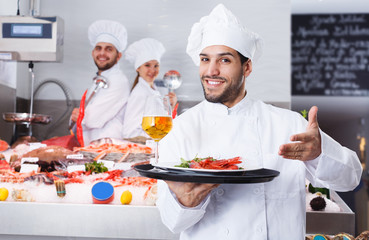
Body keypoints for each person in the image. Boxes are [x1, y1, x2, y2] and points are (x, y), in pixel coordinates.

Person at [156, 4, 362, 239]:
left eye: (224, 60)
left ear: (247, 67)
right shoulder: (182, 129)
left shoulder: (288, 124)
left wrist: (320, 153)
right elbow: (171, 221)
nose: (211, 70)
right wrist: (185, 202)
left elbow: (351, 178)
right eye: (205, 59)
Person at [70, 20, 130, 145]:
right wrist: (78, 116)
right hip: (93, 146)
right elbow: (80, 117)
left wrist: (80, 116)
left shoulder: (118, 81)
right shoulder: (99, 80)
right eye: (98, 48)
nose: (102, 53)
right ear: (93, 53)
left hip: (108, 148)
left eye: (109, 49)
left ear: (118, 56)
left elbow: (92, 119)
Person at [122, 38, 177, 139]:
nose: (152, 70)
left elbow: (162, 125)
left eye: (156, 65)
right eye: (147, 65)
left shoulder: (154, 90)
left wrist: (170, 107)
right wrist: (156, 138)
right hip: (147, 148)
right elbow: (130, 133)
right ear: (138, 68)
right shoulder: (140, 93)